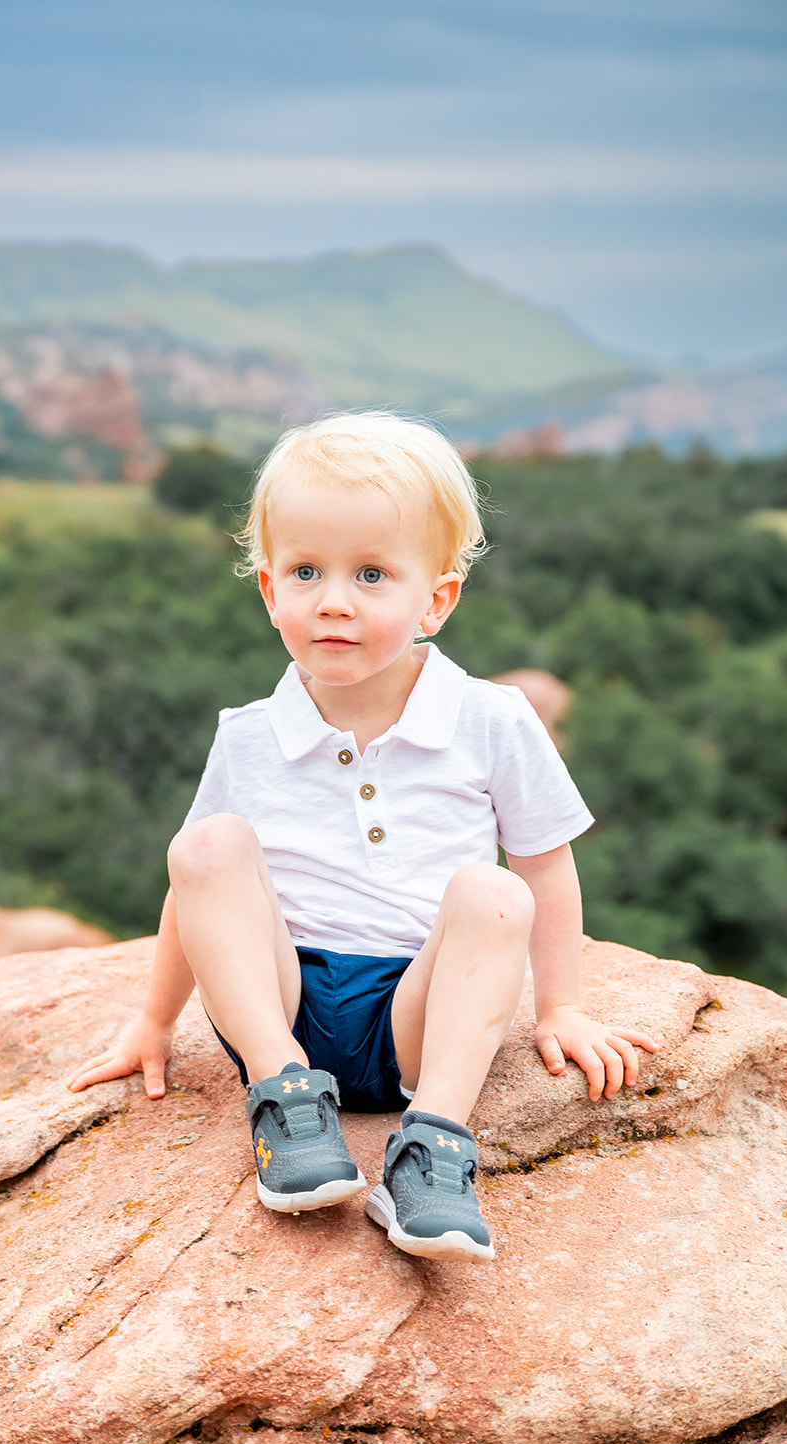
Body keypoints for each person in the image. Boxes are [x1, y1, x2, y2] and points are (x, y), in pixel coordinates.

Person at [69, 412, 657, 1263]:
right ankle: (285, 1102)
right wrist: (152, 1021)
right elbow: (198, 892)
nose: (334, 600)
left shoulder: (490, 719)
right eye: (305, 571)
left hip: (418, 1015)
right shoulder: (248, 734)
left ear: (436, 601)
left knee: (494, 891)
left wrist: (560, 1007)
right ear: (269, 591)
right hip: (282, 1009)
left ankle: (430, 1150)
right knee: (203, 845)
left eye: (372, 574)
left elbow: (543, 863)